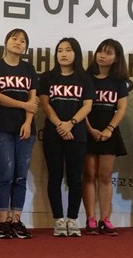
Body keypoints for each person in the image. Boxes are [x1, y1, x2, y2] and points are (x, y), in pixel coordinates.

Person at [0, 28, 39, 239]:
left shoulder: (29, 69)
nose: (18, 42)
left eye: (23, 40)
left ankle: (16, 220)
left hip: (26, 128)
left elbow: (33, 101)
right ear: (6, 41)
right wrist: (23, 105)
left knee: (20, 175)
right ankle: (3, 221)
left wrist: (28, 121)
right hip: (2, 126)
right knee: (5, 173)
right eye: (14, 38)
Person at [39, 37, 94, 237]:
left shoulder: (84, 78)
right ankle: (58, 219)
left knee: (75, 177)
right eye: (60, 50)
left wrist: (71, 123)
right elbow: (45, 104)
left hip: (76, 134)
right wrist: (60, 124)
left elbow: (87, 105)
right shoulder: (48, 77)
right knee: (54, 176)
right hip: (53, 133)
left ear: (76, 53)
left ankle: (72, 218)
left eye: (68, 50)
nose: (63, 54)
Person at [83, 39, 129, 236]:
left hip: (109, 132)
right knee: (89, 175)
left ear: (116, 58)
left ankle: (105, 219)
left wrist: (109, 129)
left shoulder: (119, 82)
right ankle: (90, 219)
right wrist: (89, 128)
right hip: (87, 130)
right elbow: (81, 106)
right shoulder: (86, 78)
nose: (102, 56)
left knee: (105, 176)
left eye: (108, 53)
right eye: (100, 51)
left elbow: (122, 108)